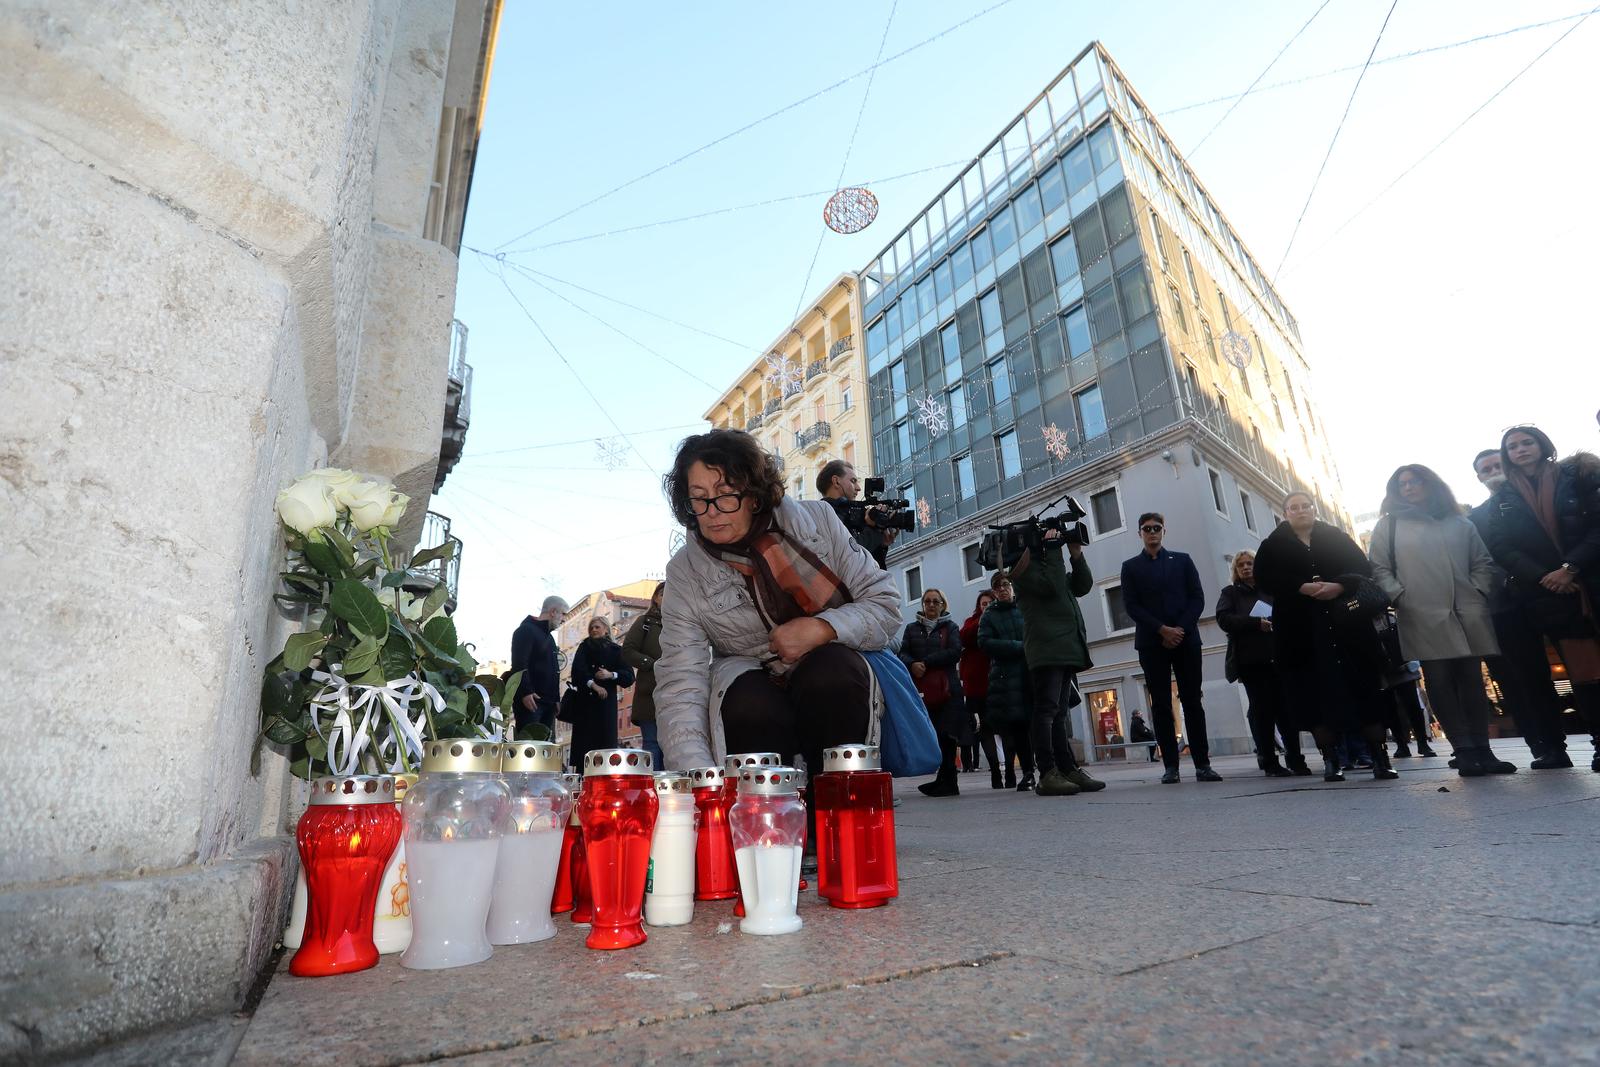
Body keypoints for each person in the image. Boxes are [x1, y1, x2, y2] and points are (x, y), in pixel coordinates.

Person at [653, 430, 901, 777]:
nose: (711, 512)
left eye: (725, 495)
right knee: (747, 701)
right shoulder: (686, 571)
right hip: (750, 681)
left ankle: (837, 809)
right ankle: (765, 818)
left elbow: (885, 606)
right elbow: (681, 680)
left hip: (832, 672)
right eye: (699, 498)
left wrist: (823, 628)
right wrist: (698, 779)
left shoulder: (819, 522)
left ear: (754, 495)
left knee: (833, 672)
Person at [1370, 464, 1516, 777]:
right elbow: (1379, 568)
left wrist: (1477, 591)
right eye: (1402, 484)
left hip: (1467, 610)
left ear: (1430, 484)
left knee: (1472, 681)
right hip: (1421, 611)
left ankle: (1483, 750)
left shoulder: (1460, 522)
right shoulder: (1389, 525)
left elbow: (1483, 562)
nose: (1408, 488)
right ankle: (1463, 750)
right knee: (1438, 679)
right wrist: (1401, 596)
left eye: (1415, 481)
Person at [1251, 491, 1400, 782]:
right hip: (1300, 629)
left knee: (1364, 686)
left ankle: (1379, 755)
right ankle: (1331, 759)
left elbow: (1361, 567)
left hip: (1347, 623)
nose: (1301, 510)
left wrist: (1339, 585)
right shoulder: (1272, 545)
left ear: (1314, 509)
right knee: (1312, 692)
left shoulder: (1336, 537)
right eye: (1294, 507)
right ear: (1285, 513)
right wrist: (1300, 587)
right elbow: (1265, 578)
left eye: (1306, 506)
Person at [1485, 425, 1600, 772]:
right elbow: (1502, 546)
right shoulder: (1503, 497)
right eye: (1513, 446)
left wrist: (1571, 567)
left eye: (1526, 442)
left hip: (1589, 582)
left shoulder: (1576, 476)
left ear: (1542, 445)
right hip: (1549, 595)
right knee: (1586, 673)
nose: (1520, 449)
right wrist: (1546, 576)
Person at [1471, 447, 1572, 767]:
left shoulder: (1545, 496)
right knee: (1527, 679)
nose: (1492, 472)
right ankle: (1547, 746)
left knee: (1581, 667)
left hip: (1556, 592)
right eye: (1484, 469)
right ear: (1478, 478)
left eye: (1496, 465)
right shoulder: (1475, 517)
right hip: (1508, 606)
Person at [1119, 513, 1222, 784]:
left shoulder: (1183, 560)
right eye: (1146, 529)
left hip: (1186, 640)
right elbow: (1131, 606)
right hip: (1152, 642)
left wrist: (1179, 629)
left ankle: (1202, 764)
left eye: (1156, 528)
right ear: (1139, 533)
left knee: (1191, 701)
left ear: (1164, 531)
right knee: (1161, 705)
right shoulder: (1130, 567)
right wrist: (1161, 630)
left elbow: (1197, 598)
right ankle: (1171, 767)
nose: (1152, 533)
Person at [1009, 523, 1105, 796]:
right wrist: (1054, 552)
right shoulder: (1023, 566)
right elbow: (1050, 587)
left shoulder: (1051, 563)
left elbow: (1082, 585)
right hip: (1046, 647)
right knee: (1047, 710)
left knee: (1060, 712)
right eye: (1046, 535)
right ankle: (1047, 772)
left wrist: (1076, 554)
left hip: (1066, 646)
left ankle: (1066, 768)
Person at [1215, 549, 1306, 776]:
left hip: (1278, 657)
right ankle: (1269, 761)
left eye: (1250, 563)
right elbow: (1224, 619)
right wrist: (1255, 623)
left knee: (1286, 711)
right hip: (1251, 661)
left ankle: (1295, 759)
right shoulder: (1230, 593)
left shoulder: (1271, 590)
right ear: (1235, 570)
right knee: (1262, 712)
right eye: (1241, 565)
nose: (1246, 567)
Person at [901, 589, 971, 797]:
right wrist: (912, 664)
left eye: (935, 601)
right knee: (932, 735)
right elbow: (902, 652)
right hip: (923, 691)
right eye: (927, 601)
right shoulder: (911, 628)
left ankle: (950, 780)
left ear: (942, 605)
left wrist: (927, 662)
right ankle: (944, 778)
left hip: (948, 689)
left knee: (947, 734)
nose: (931, 605)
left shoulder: (951, 627)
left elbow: (955, 652)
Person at [979, 573, 1036, 790]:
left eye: (1006, 584)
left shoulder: (1025, 605)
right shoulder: (989, 615)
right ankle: (1027, 771)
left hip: (1030, 671)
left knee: (1039, 721)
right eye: (998, 586)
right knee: (1018, 726)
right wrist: (1017, 646)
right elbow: (984, 642)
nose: (1003, 589)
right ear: (994, 591)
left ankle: (1049, 768)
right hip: (1006, 677)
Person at [568, 616, 635, 770]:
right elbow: (577, 672)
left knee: (605, 750)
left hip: (606, 709)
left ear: (606, 629)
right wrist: (594, 685)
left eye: (597, 627)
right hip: (585, 705)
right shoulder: (584, 647)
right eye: (591, 627)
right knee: (584, 753)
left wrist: (611, 675)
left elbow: (629, 677)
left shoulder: (616, 650)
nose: (594, 630)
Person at [959, 589, 1005, 789]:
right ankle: (995, 770)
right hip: (977, 684)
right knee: (985, 729)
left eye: (989, 603)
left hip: (1000, 681)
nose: (985, 606)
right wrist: (983, 619)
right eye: (982, 603)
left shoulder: (1003, 618)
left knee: (1006, 728)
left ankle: (1010, 770)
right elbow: (964, 637)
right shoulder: (972, 621)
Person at [818, 459, 901, 568]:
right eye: (853, 481)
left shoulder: (851, 512)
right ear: (836, 481)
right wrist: (873, 529)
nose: (858, 488)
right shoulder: (825, 514)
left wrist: (881, 543)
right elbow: (849, 554)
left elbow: (871, 567)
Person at [620, 581, 667, 770]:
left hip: (677, 693)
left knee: (675, 746)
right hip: (650, 693)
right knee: (653, 744)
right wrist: (652, 664)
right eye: (663, 594)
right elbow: (628, 651)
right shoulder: (645, 622)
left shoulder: (683, 623)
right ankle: (654, 790)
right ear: (656, 598)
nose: (668, 598)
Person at [509, 595, 567, 738]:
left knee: (546, 748)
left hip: (548, 704)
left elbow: (554, 671)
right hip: (531, 702)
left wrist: (556, 700)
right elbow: (519, 664)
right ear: (553, 611)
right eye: (563, 613)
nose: (564, 619)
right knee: (528, 747)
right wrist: (526, 692)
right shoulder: (525, 631)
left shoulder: (550, 638)